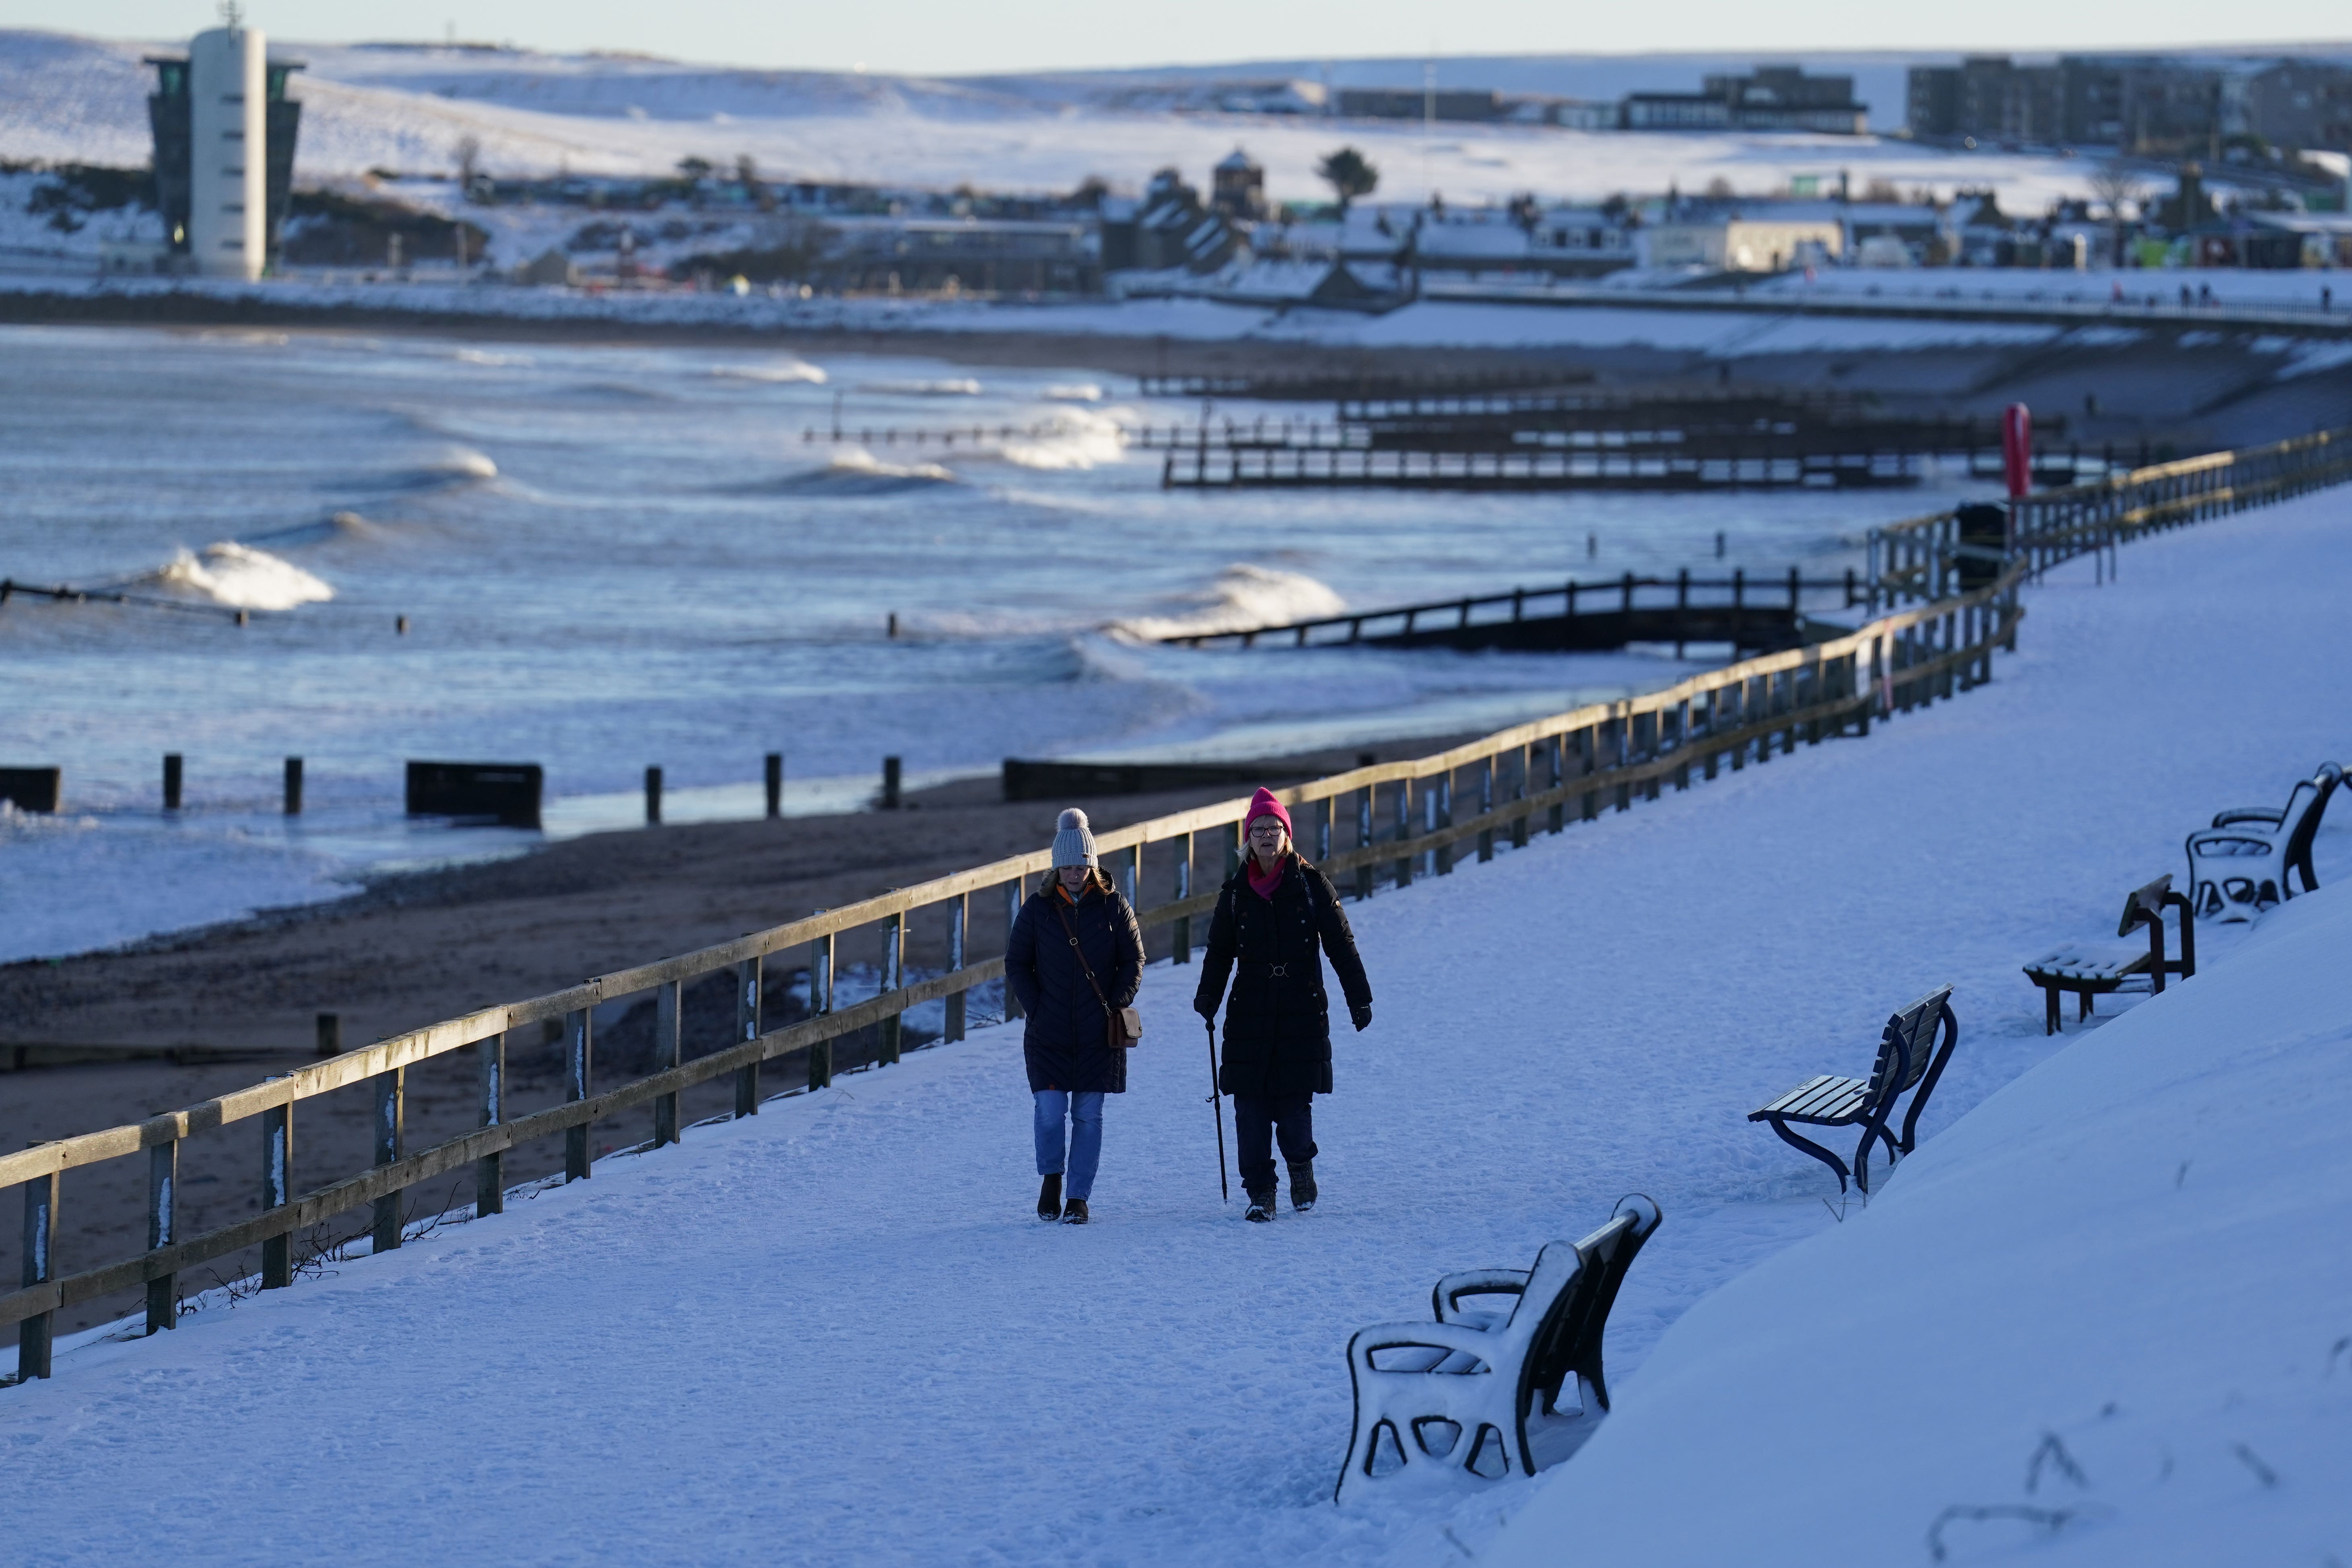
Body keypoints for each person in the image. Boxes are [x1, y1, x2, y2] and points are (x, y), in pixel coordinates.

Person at [1194, 787, 1373, 1222]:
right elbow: (1219, 952)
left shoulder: (1312, 887)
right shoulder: (1235, 894)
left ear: (1287, 835)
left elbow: (1341, 945)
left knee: (1293, 1105)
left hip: (1300, 1009)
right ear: (1248, 840)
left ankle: (1300, 1167)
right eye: (1258, 830)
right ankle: (1260, 1192)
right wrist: (1207, 1000)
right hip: (1248, 1010)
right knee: (1249, 1109)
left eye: (1274, 828)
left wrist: (1359, 998)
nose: (1266, 836)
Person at [1005, 807, 1143, 1225]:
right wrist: (1038, 1007)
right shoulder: (1037, 909)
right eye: (1066, 866)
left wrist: (1116, 1002)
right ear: (1056, 867)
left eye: (1080, 866)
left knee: (1088, 1115)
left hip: (1099, 1031)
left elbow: (1132, 960)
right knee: (1049, 1112)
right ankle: (1051, 1177)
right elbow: (1016, 963)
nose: (1073, 873)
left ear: (1092, 865)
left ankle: (1078, 1198)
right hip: (1048, 1031)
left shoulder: (1115, 907)